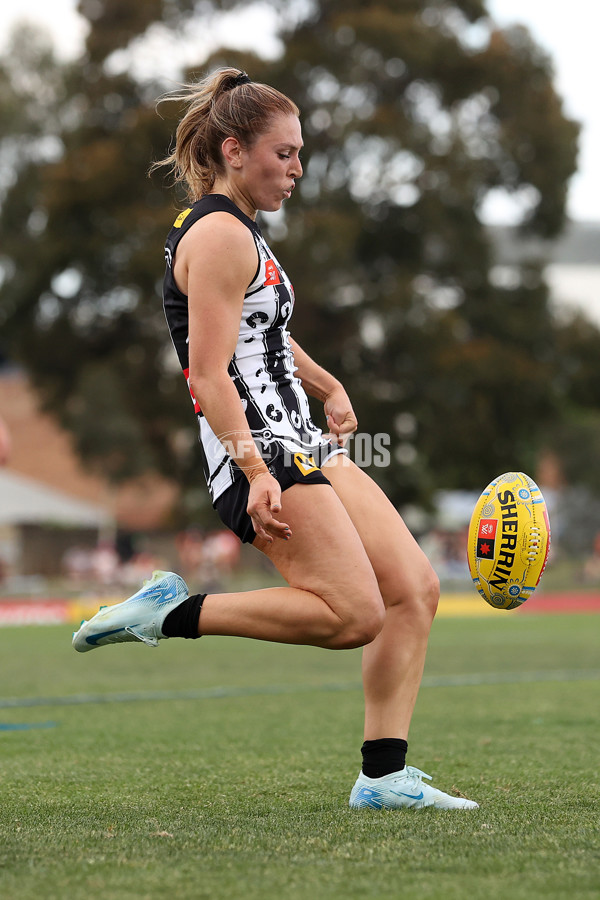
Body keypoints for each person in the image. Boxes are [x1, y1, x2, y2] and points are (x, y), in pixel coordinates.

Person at [73, 68, 478, 811]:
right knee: (354, 614)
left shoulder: (239, 231)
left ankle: (383, 778)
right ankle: (169, 613)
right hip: (263, 448)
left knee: (414, 589)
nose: (298, 169)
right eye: (284, 154)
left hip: (300, 439)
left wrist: (328, 385)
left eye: (300, 154)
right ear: (234, 150)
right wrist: (254, 469)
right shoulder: (222, 236)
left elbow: (265, 338)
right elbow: (209, 373)